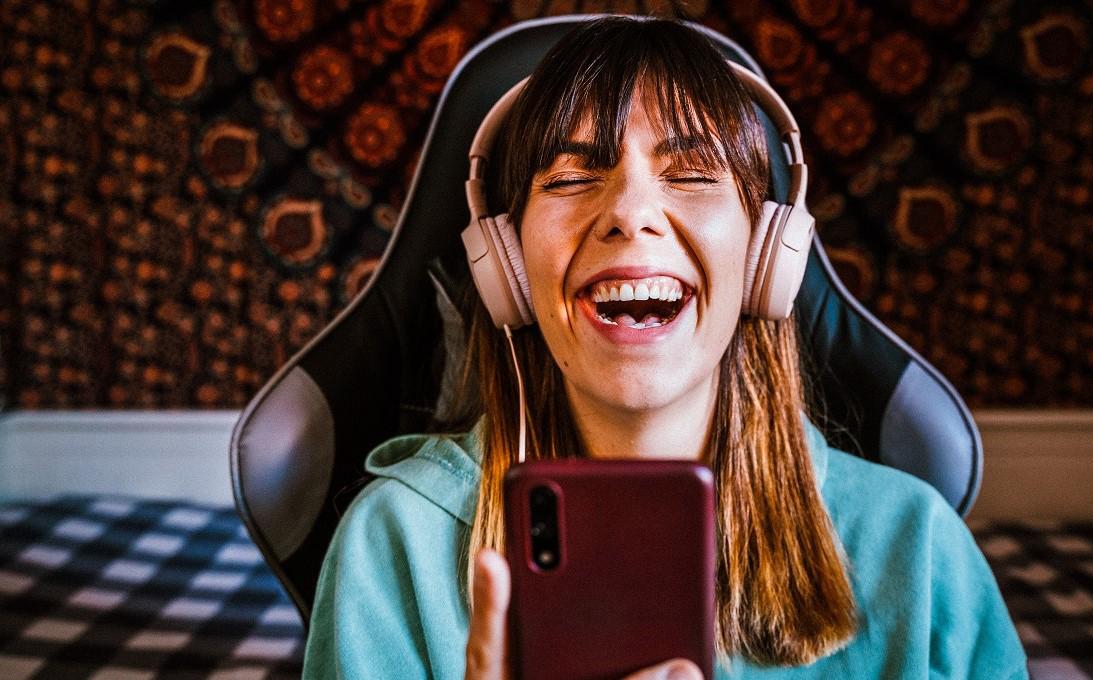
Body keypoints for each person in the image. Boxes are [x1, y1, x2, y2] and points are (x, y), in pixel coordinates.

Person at [302, 16, 1028, 680]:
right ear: (508, 268)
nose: (629, 213)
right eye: (571, 176)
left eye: (691, 175)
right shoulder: (394, 548)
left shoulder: (920, 552)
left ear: (765, 259)